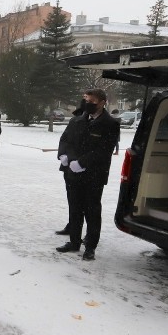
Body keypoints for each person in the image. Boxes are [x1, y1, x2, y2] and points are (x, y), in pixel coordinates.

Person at [55, 88, 120, 261]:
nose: (87, 104)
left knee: (92, 210)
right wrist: (64, 155)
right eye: (85, 100)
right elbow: (65, 140)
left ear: (102, 102)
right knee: (74, 208)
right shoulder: (77, 119)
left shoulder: (110, 124)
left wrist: (82, 163)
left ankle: (90, 246)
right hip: (72, 173)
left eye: (92, 102)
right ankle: (74, 241)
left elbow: (104, 150)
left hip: (93, 175)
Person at [56, 99, 87, 236]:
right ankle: (72, 226)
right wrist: (63, 154)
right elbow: (65, 139)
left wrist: (80, 161)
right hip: (69, 167)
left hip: (85, 167)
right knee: (72, 200)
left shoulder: (94, 123)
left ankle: (86, 232)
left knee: (87, 203)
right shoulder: (74, 121)